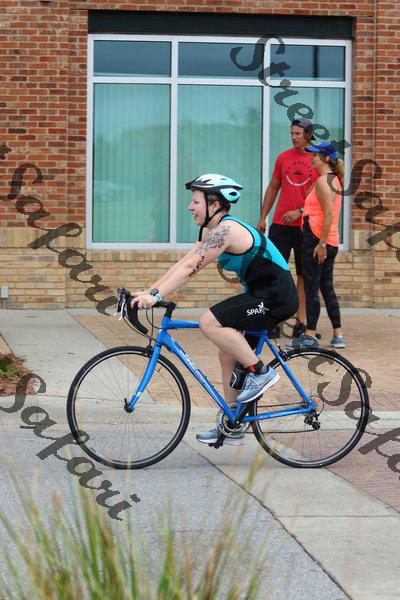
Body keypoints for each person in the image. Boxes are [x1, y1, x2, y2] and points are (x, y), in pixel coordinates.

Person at [131, 173, 299, 446]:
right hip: (260, 294)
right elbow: (184, 263)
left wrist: (157, 295)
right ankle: (233, 423)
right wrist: (151, 292)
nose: (190, 207)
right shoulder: (210, 231)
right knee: (227, 352)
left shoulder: (226, 231)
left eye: (196, 201)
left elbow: (190, 269)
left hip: (277, 297)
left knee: (209, 321)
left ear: (215, 204)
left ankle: (261, 373)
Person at [257, 118, 319, 338]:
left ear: (308, 134)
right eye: (292, 133)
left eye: (298, 134)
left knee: (303, 275)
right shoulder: (283, 157)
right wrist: (263, 217)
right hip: (280, 225)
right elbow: (273, 187)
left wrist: (301, 211)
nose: (293, 137)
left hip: (306, 226)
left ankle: (301, 323)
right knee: (275, 272)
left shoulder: (318, 159)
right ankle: (274, 321)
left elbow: (322, 193)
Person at [286, 141, 345, 350]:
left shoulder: (323, 181)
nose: (311, 158)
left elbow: (328, 213)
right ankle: (338, 334)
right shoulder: (332, 179)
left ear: (326, 158)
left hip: (317, 240)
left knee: (311, 287)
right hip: (329, 239)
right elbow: (318, 208)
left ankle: (309, 337)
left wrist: (321, 244)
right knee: (326, 286)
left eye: (315, 155)